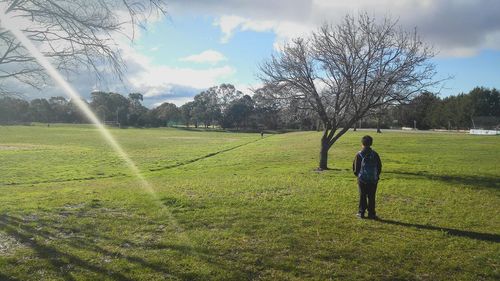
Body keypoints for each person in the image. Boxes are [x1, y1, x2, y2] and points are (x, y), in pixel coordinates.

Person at [352, 135, 382, 219]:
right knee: (372, 197)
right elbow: (379, 166)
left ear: (362, 143)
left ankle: (361, 213)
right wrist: (376, 175)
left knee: (362, 196)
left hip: (362, 179)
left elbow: (355, 168)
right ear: (371, 143)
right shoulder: (375, 154)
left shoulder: (359, 154)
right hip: (373, 180)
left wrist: (358, 175)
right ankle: (371, 214)